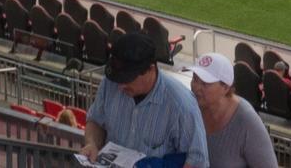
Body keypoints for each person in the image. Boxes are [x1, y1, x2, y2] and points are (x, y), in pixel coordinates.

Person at [83, 32, 208, 168]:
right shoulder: (110, 83)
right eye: (118, 78)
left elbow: (197, 160)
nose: (120, 85)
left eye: (127, 78)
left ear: (150, 69)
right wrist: (92, 144)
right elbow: (95, 121)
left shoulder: (181, 104)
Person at [189, 53, 278, 168]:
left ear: (225, 87)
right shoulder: (189, 107)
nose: (196, 87)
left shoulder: (247, 121)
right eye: (195, 79)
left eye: (205, 83)